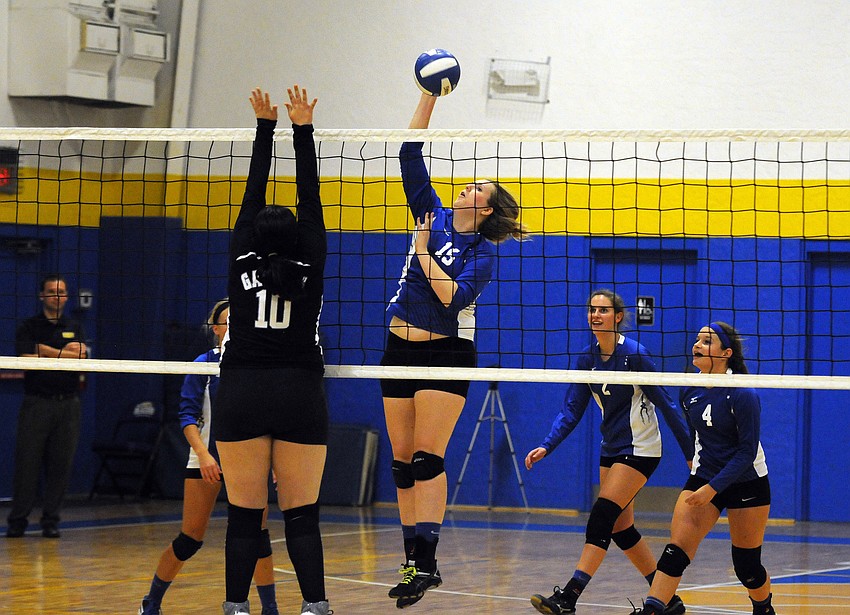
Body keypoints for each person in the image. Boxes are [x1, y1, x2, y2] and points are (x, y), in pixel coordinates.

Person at [382, 91, 527, 609]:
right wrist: (425, 96)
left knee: (426, 458)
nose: (465, 186)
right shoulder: (432, 211)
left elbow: (449, 301)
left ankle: (429, 557)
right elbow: (408, 152)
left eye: (475, 187)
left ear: (483, 208)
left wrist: (422, 253)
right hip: (396, 347)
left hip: (445, 354)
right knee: (400, 464)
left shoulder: (482, 255)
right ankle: (413, 562)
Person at [213, 86, 330, 615]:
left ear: (255, 235)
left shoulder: (241, 259)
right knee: (301, 513)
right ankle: (316, 606)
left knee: (244, 514)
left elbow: (252, 193)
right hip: (299, 389)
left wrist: (266, 128)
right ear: (297, 240)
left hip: (241, 391)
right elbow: (311, 197)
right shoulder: (312, 261)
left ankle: (235, 606)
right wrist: (302, 129)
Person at [526, 289, 694, 615]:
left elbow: (668, 405)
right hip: (611, 447)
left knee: (602, 516)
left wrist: (689, 452)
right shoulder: (586, 359)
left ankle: (569, 597)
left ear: (617, 317)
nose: (595, 315)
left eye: (602, 310)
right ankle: (667, 600)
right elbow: (572, 410)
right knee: (621, 528)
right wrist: (548, 444)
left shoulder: (635, 355)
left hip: (641, 449)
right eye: (591, 310)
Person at [138, 300, 280, 615]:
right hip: (207, 459)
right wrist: (203, 456)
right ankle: (151, 602)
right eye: (227, 322)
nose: (234, 327)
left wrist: (273, 461)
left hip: (249, 461)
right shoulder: (203, 364)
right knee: (190, 538)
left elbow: (269, 418)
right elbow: (187, 416)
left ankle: (270, 608)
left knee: (257, 536)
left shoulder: (257, 365)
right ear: (215, 328)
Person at [630, 322, 776, 615]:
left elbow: (746, 453)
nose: (697, 345)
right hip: (705, 477)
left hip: (747, 482)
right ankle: (653, 610)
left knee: (747, 567)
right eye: (697, 339)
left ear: (726, 353)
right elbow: (698, 438)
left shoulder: (743, 394)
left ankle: (764, 610)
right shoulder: (690, 389)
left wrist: (713, 489)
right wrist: (699, 477)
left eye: (707, 341)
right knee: (675, 551)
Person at [5, 275, 88, 539]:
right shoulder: (29, 326)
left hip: (68, 405)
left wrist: (47, 351)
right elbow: (25, 357)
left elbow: (82, 357)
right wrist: (65, 352)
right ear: (42, 295)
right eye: (52, 291)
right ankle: (18, 521)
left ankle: (51, 520)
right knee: (27, 464)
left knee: (60, 465)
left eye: (62, 292)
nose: (57, 296)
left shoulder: (74, 325)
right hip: (37, 403)